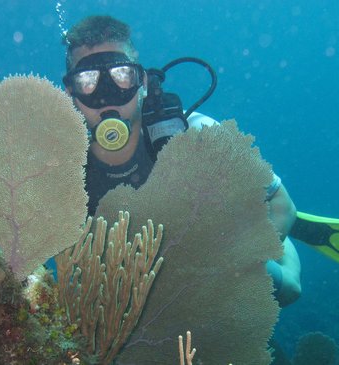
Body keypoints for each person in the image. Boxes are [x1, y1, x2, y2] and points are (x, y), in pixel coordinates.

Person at [61, 15, 301, 307]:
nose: (108, 96)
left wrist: (231, 266)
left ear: (144, 83)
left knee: (288, 290)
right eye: (88, 82)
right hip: (133, 269)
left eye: (121, 75)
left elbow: (282, 206)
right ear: (70, 93)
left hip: (212, 247)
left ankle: (267, 228)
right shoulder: (61, 164)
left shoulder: (195, 132)